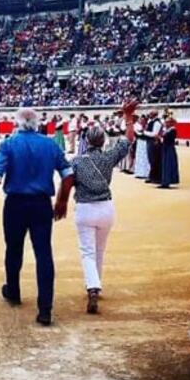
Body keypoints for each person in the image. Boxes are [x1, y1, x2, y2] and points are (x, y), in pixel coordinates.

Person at [0, 108, 74, 326]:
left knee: (14, 248)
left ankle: (13, 290)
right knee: (44, 253)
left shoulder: (9, 144)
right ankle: (45, 308)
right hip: (41, 203)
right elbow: (68, 174)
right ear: (37, 123)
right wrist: (62, 200)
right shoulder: (50, 144)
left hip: (15, 204)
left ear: (16, 123)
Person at [56, 100, 138, 315]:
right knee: (100, 250)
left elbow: (67, 182)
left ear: (86, 140)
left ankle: (93, 287)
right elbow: (128, 140)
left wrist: (61, 201)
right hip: (106, 208)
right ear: (102, 142)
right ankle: (96, 284)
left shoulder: (77, 161)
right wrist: (128, 118)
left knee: (87, 251)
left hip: (85, 209)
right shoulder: (108, 157)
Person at [158, 118, 180, 189]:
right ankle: (165, 181)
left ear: (171, 123)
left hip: (169, 148)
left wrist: (160, 136)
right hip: (166, 148)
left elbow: (166, 138)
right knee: (166, 164)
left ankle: (166, 181)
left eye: (167, 122)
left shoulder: (172, 130)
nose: (165, 123)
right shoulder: (168, 130)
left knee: (168, 164)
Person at [144, 110, 163, 184]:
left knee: (153, 159)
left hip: (153, 142)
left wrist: (144, 132)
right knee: (151, 159)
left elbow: (154, 134)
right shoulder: (152, 122)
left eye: (151, 114)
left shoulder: (156, 123)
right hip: (151, 141)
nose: (149, 115)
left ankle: (154, 176)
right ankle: (153, 176)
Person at [133, 114, 150, 179]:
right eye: (141, 120)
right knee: (139, 156)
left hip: (145, 142)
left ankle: (145, 173)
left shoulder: (147, 126)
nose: (142, 121)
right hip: (139, 142)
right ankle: (139, 172)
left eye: (143, 120)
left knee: (145, 157)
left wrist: (142, 133)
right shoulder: (139, 127)